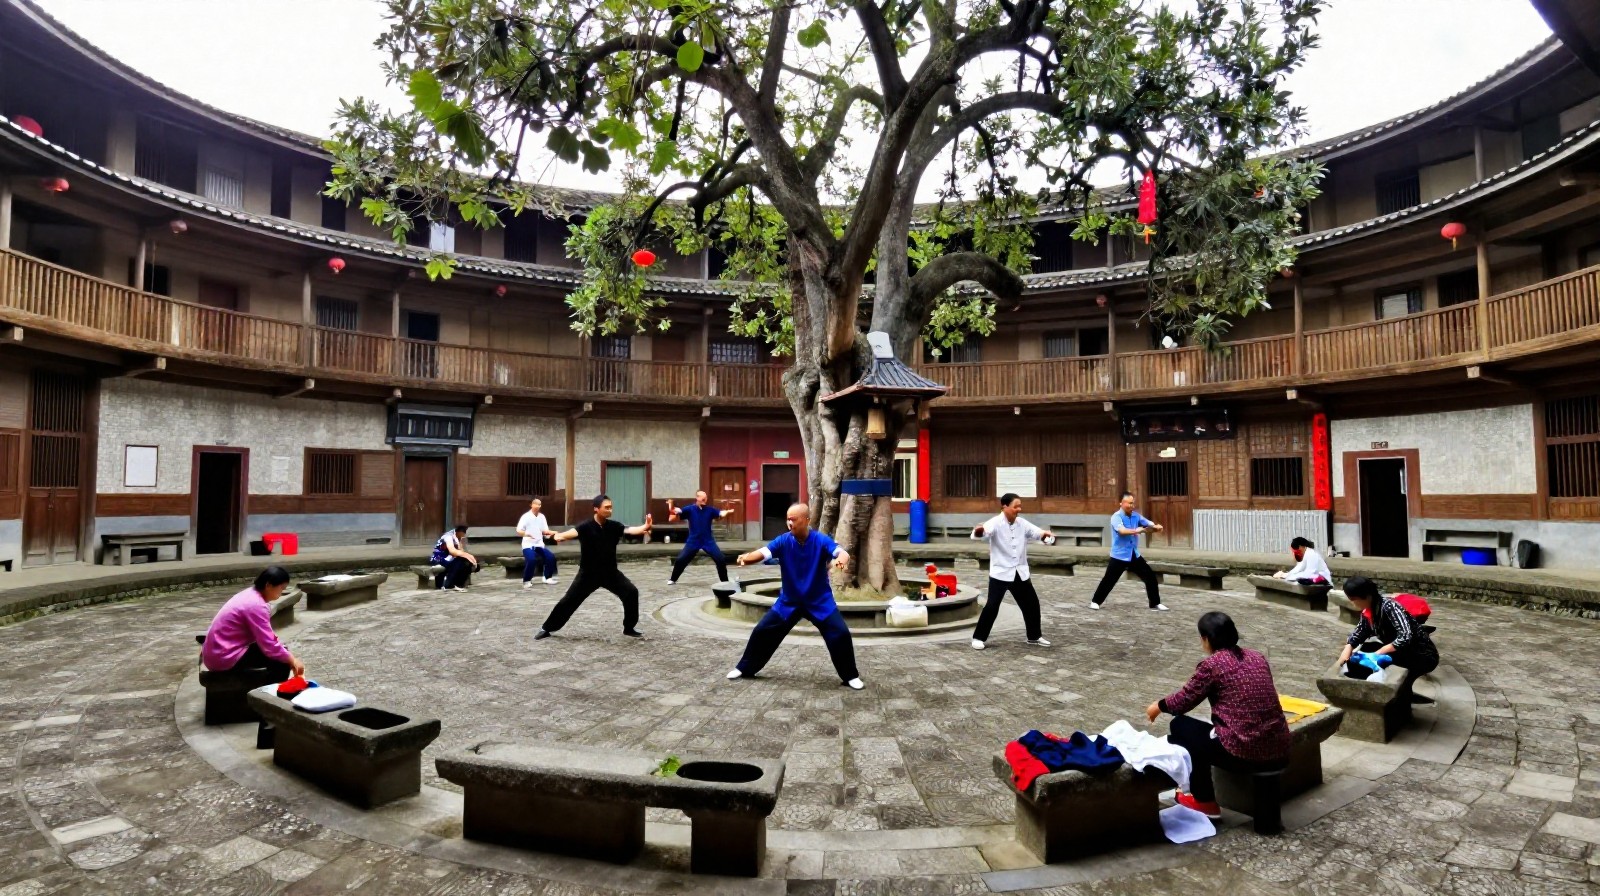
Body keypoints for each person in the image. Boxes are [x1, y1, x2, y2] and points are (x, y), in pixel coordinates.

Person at [1144, 612, 1291, 819]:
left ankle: (1204, 801)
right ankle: (1200, 796)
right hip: (1279, 744)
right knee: (1199, 733)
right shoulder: (1257, 657)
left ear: (1205, 639)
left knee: (1180, 728)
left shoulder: (1212, 665)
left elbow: (1183, 701)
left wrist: (1157, 707)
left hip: (1244, 750)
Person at [726, 503, 864, 690]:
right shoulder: (783, 541)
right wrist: (747, 557)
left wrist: (841, 560)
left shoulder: (820, 540)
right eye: (788, 519)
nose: (789, 523)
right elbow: (764, 553)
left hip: (819, 601)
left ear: (806, 520)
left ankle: (850, 676)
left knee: (840, 633)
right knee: (763, 631)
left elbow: (841, 553)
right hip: (789, 601)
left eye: (794, 519)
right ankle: (745, 668)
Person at [534, 495, 652, 640]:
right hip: (588, 574)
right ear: (596, 509)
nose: (610, 510)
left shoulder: (614, 526)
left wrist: (645, 526)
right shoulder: (585, 527)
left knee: (631, 592)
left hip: (610, 573)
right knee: (569, 600)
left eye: (611, 507)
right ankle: (547, 628)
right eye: (606, 507)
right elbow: (564, 536)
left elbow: (631, 530)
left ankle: (629, 627)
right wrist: (556, 536)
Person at [969, 492, 1059, 650]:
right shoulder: (995, 522)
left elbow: (1038, 534)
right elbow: (981, 534)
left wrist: (1046, 536)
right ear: (1005, 506)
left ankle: (1034, 636)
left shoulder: (1022, 523)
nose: (1019, 509)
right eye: (1016, 506)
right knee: (992, 606)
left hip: (1020, 571)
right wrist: (979, 531)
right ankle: (978, 638)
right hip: (1001, 572)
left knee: (1031, 604)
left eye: (1020, 506)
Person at [200, 566, 305, 681]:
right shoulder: (257, 605)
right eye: (281, 588)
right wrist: (293, 660)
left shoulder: (250, 594)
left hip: (216, 652)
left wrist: (287, 654)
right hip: (223, 657)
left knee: (282, 652)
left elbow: (268, 639)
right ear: (268, 585)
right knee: (281, 662)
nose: (282, 592)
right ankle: (267, 695)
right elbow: (269, 644)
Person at [1338, 576, 1439, 678]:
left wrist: (1378, 653)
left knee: (1369, 661)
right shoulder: (1368, 610)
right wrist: (1349, 647)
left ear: (1367, 596)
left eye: (1354, 599)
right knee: (1361, 653)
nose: (1352, 603)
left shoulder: (1390, 607)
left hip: (1421, 656)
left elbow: (1406, 636)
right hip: (1401, 651)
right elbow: (1359, 632)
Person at [1088, 492, 1168, 611]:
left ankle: (1155, 603)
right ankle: (1095, 601)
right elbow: (1122, 531)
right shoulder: (1116, 517)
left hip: (1133, 554)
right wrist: (1137, 530)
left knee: (1150, 576)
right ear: (1121, 503)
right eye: (1129, 503)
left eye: (1132, 503)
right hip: (1119, 555)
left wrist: (1156, 526)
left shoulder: (1136, 516)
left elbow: (1147, 523)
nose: (1131, 505)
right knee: (1109, 580)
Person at [666, 490, 733, 585]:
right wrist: (671, 505)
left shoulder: (710, 510)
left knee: (720, 559)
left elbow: (720, 513)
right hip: (693, 540)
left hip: (708, 540)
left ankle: (725, 582)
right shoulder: (690, 509)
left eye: (705, 499)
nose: (704, 500)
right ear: (697, 498)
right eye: (702, 498)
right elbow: (677, 511)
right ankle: (673, 578)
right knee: (681, 559)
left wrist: (727, 512)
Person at [516, 497, 558, 589]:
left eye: (539, 504)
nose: (538, 506)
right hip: (528, 545)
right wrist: (527, 534)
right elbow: (519, 530)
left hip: (539, 544)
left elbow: (544, 531)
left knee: (550, 557)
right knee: (531, 559)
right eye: (535, 504)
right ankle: (527, 580)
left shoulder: (542, 517)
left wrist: (553, 533)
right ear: (531, 505)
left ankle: (547, 577)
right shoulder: (525, 516)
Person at [430, 524, 478, 592]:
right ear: (459, 532)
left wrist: (470, 558)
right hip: (439, 558)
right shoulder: (448, 536)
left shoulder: (458, 538)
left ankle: (459, 583)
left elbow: (461, 551)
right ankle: (449, 583)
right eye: (463, 532)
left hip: (450, 557)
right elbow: (452, 551)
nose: (464, 535)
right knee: (460, 562)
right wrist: (468, 556)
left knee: (467, 562)